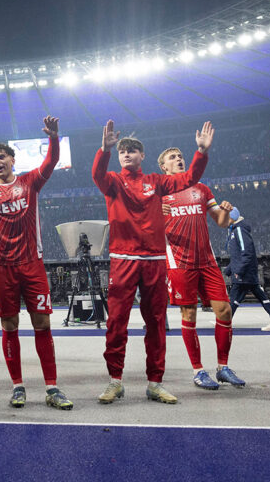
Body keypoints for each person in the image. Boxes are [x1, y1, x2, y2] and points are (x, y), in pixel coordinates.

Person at [0, 117, 73, 410]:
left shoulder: (30, 181)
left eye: (1, 157)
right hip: (2, 267)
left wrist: (54, 138)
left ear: (12, 159)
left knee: (42, 323)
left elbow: (52, 160)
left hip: (32, 263)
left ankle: (52, 386)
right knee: (10, 325)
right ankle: (18, 386)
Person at [92, 120, 214, 406]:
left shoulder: (157, 182)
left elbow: (190, 178)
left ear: (142, 156)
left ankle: (155, 383)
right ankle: (115, 381)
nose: (126, 154)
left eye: (132, 150)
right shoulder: (112, 180)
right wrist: (104, 150)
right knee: (116, 322)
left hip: (154, 260)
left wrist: (201, 152)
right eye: (123, 150)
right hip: (123, 259)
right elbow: (97, 174)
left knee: (156, 322)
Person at [157, 146, 245, 391]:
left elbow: (220, 222)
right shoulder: (159, 193)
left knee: (225, 311)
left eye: (181, 156)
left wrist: (226, 212)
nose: (179, 160)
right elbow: (147, 231)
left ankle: (223, 367)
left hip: (207, 261)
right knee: (189, 316)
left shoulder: (201, 189)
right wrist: (154, 214)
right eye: (172, 158)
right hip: (179, 263)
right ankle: (198, 371)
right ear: (163, 167)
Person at [224, 207, 270, 331]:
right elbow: (238, 255)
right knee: (257, 295)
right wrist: (230, 269)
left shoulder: (239, 230)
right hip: (247, 270)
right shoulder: (236, 230)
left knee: (235, 296)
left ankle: (224, 322)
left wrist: (238, 270)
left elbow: (247, 252)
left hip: (245, 272)